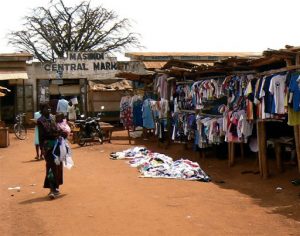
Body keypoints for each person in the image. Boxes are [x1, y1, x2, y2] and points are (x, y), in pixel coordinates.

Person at [37, 103, 65, 199]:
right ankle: (51, 189)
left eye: (49, 108)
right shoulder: (40, 121)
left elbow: (58, 127)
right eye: (46, 108)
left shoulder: (53, 118)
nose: (48, 110)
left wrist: (62, 131)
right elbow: (44, 134)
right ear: (42, 110)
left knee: (58, 166)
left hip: (57, 145)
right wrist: (41, 149)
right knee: (50, 166)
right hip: (48, 147)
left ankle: (56, 187)